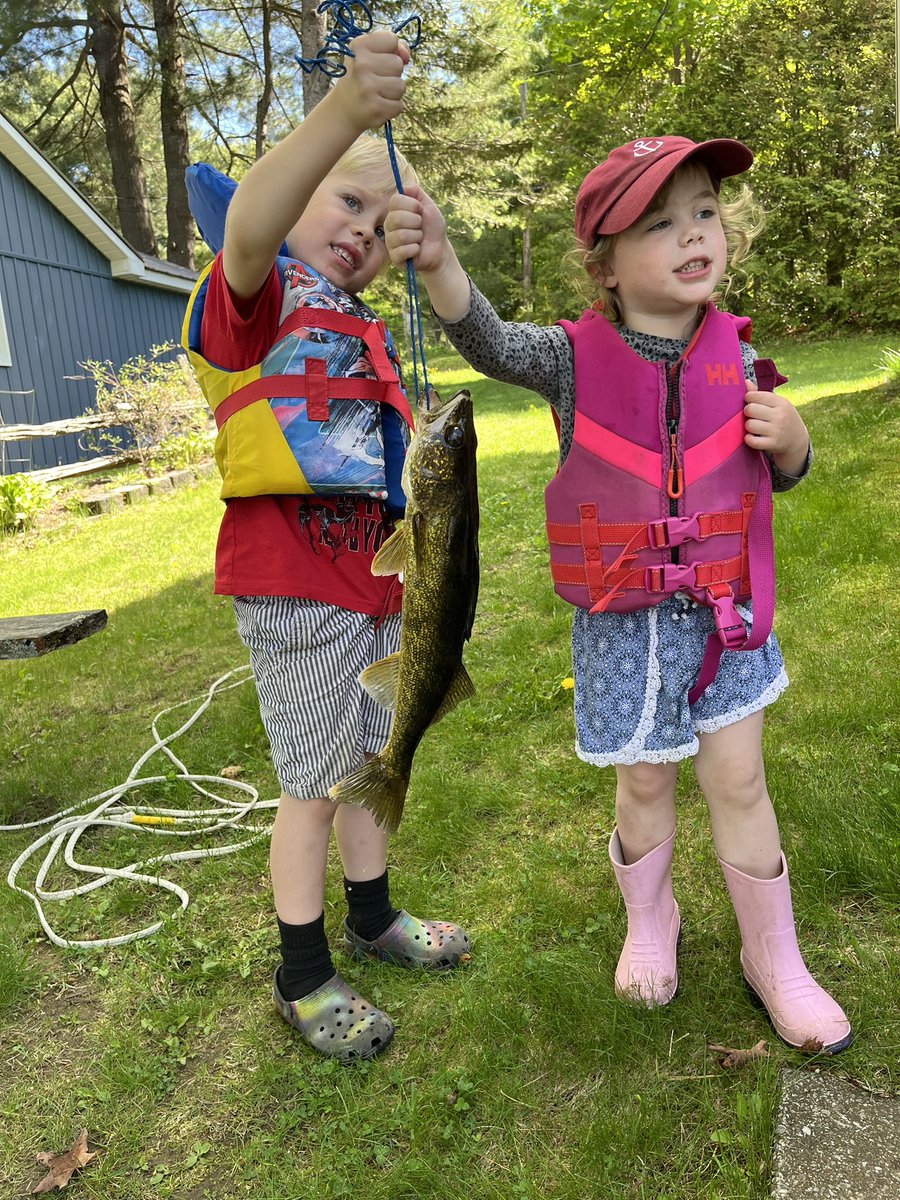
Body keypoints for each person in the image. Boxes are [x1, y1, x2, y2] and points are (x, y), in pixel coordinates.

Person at [384, 135, 851, 1053]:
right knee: (643, 781)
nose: (694, 236)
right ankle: (652, 920)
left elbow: (775, 481)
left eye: (706, 213)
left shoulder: (743, 359)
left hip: (727, 617)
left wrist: (792, 441)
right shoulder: (568, 360)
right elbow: (485, 339)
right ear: (603, 261)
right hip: (624, 631)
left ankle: (775, 957)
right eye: (661, 223)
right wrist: (438, 260)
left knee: (740, 778)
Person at [181, 31, 470, 1064]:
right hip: (295, 593)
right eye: (343, 203)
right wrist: (346, 114)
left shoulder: (361, 329)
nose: (359, 232)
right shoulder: (251, 302)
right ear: (296, 190)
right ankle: (302, 972)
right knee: (312, 780)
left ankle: (373, 915)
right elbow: (254, 219)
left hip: (373, 589)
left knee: (369, 764)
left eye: (377, 223)